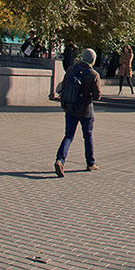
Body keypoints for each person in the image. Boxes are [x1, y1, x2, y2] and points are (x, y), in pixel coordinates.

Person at [54, 48, 101, 176]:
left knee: (68, 135)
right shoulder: (93, 74)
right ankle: (90, 163)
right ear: (93, 60)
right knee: (88, 136)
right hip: (85, 110)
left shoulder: (71, 70)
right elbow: (97, 96)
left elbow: (63, 87)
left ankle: (60, 160)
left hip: (70, 107)